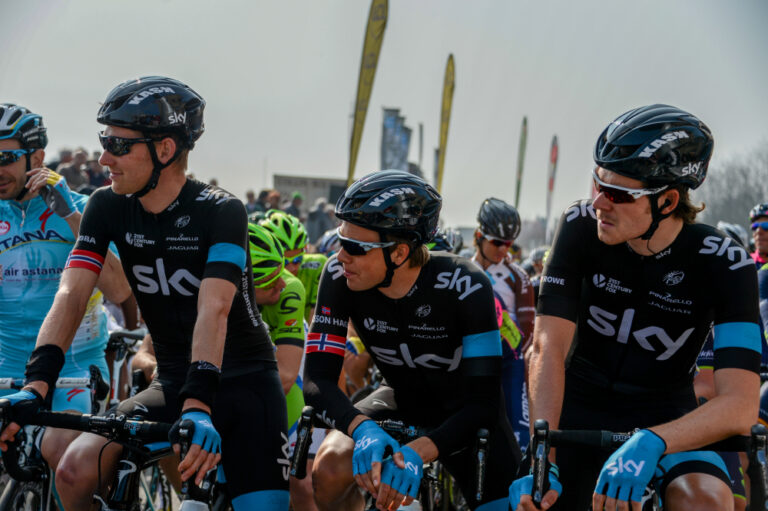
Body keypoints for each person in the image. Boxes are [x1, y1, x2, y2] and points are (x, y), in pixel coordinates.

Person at [0, 77, 290, 509]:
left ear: (165, 149)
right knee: (74, 470)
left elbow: (214, 309)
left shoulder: (221, 210)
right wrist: (36, 384)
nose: (103, 157)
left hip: (245, 384)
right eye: (104, 141)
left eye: (118, 145)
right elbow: (71, 294)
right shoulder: (105, 205)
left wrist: (197, 404)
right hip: (172, 382)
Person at [510, 104, 761, 511]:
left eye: (618, 194)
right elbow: (546, 348)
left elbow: (741, 404)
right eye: (597, 182)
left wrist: (654, 439)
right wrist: (542, 457)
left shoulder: (725, 262)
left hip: (665, 412)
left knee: (707, 501)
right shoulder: (578, 226)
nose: (598, 202)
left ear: (668, 201)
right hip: (578, 403)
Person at [305, 170, 520, 511]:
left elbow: (484, 403)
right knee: (329, 468)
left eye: (355, 247)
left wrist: (418, 451)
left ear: (399, 253)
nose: (341, 255)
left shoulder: (466, 284)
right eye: (341, 240)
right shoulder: (338, 276)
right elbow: (317, 381)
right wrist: (362, 429)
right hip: (399, 399)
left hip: (466, 413)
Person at [0, 103, 136, 477]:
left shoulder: (83, 208)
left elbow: (120, 288)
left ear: (37, 158)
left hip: (72, 369)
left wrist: (70, 217)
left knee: (63, 456)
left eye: (6, 158)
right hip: (7, 366)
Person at [471, 198, 535, 452]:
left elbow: (529, 332)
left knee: (518, 433)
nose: (503, 249)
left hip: (510, 362)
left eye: (508, 243)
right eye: (497, 242)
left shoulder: (517, 276)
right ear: (478, 236)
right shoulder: (462, 270)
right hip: (473, 360)